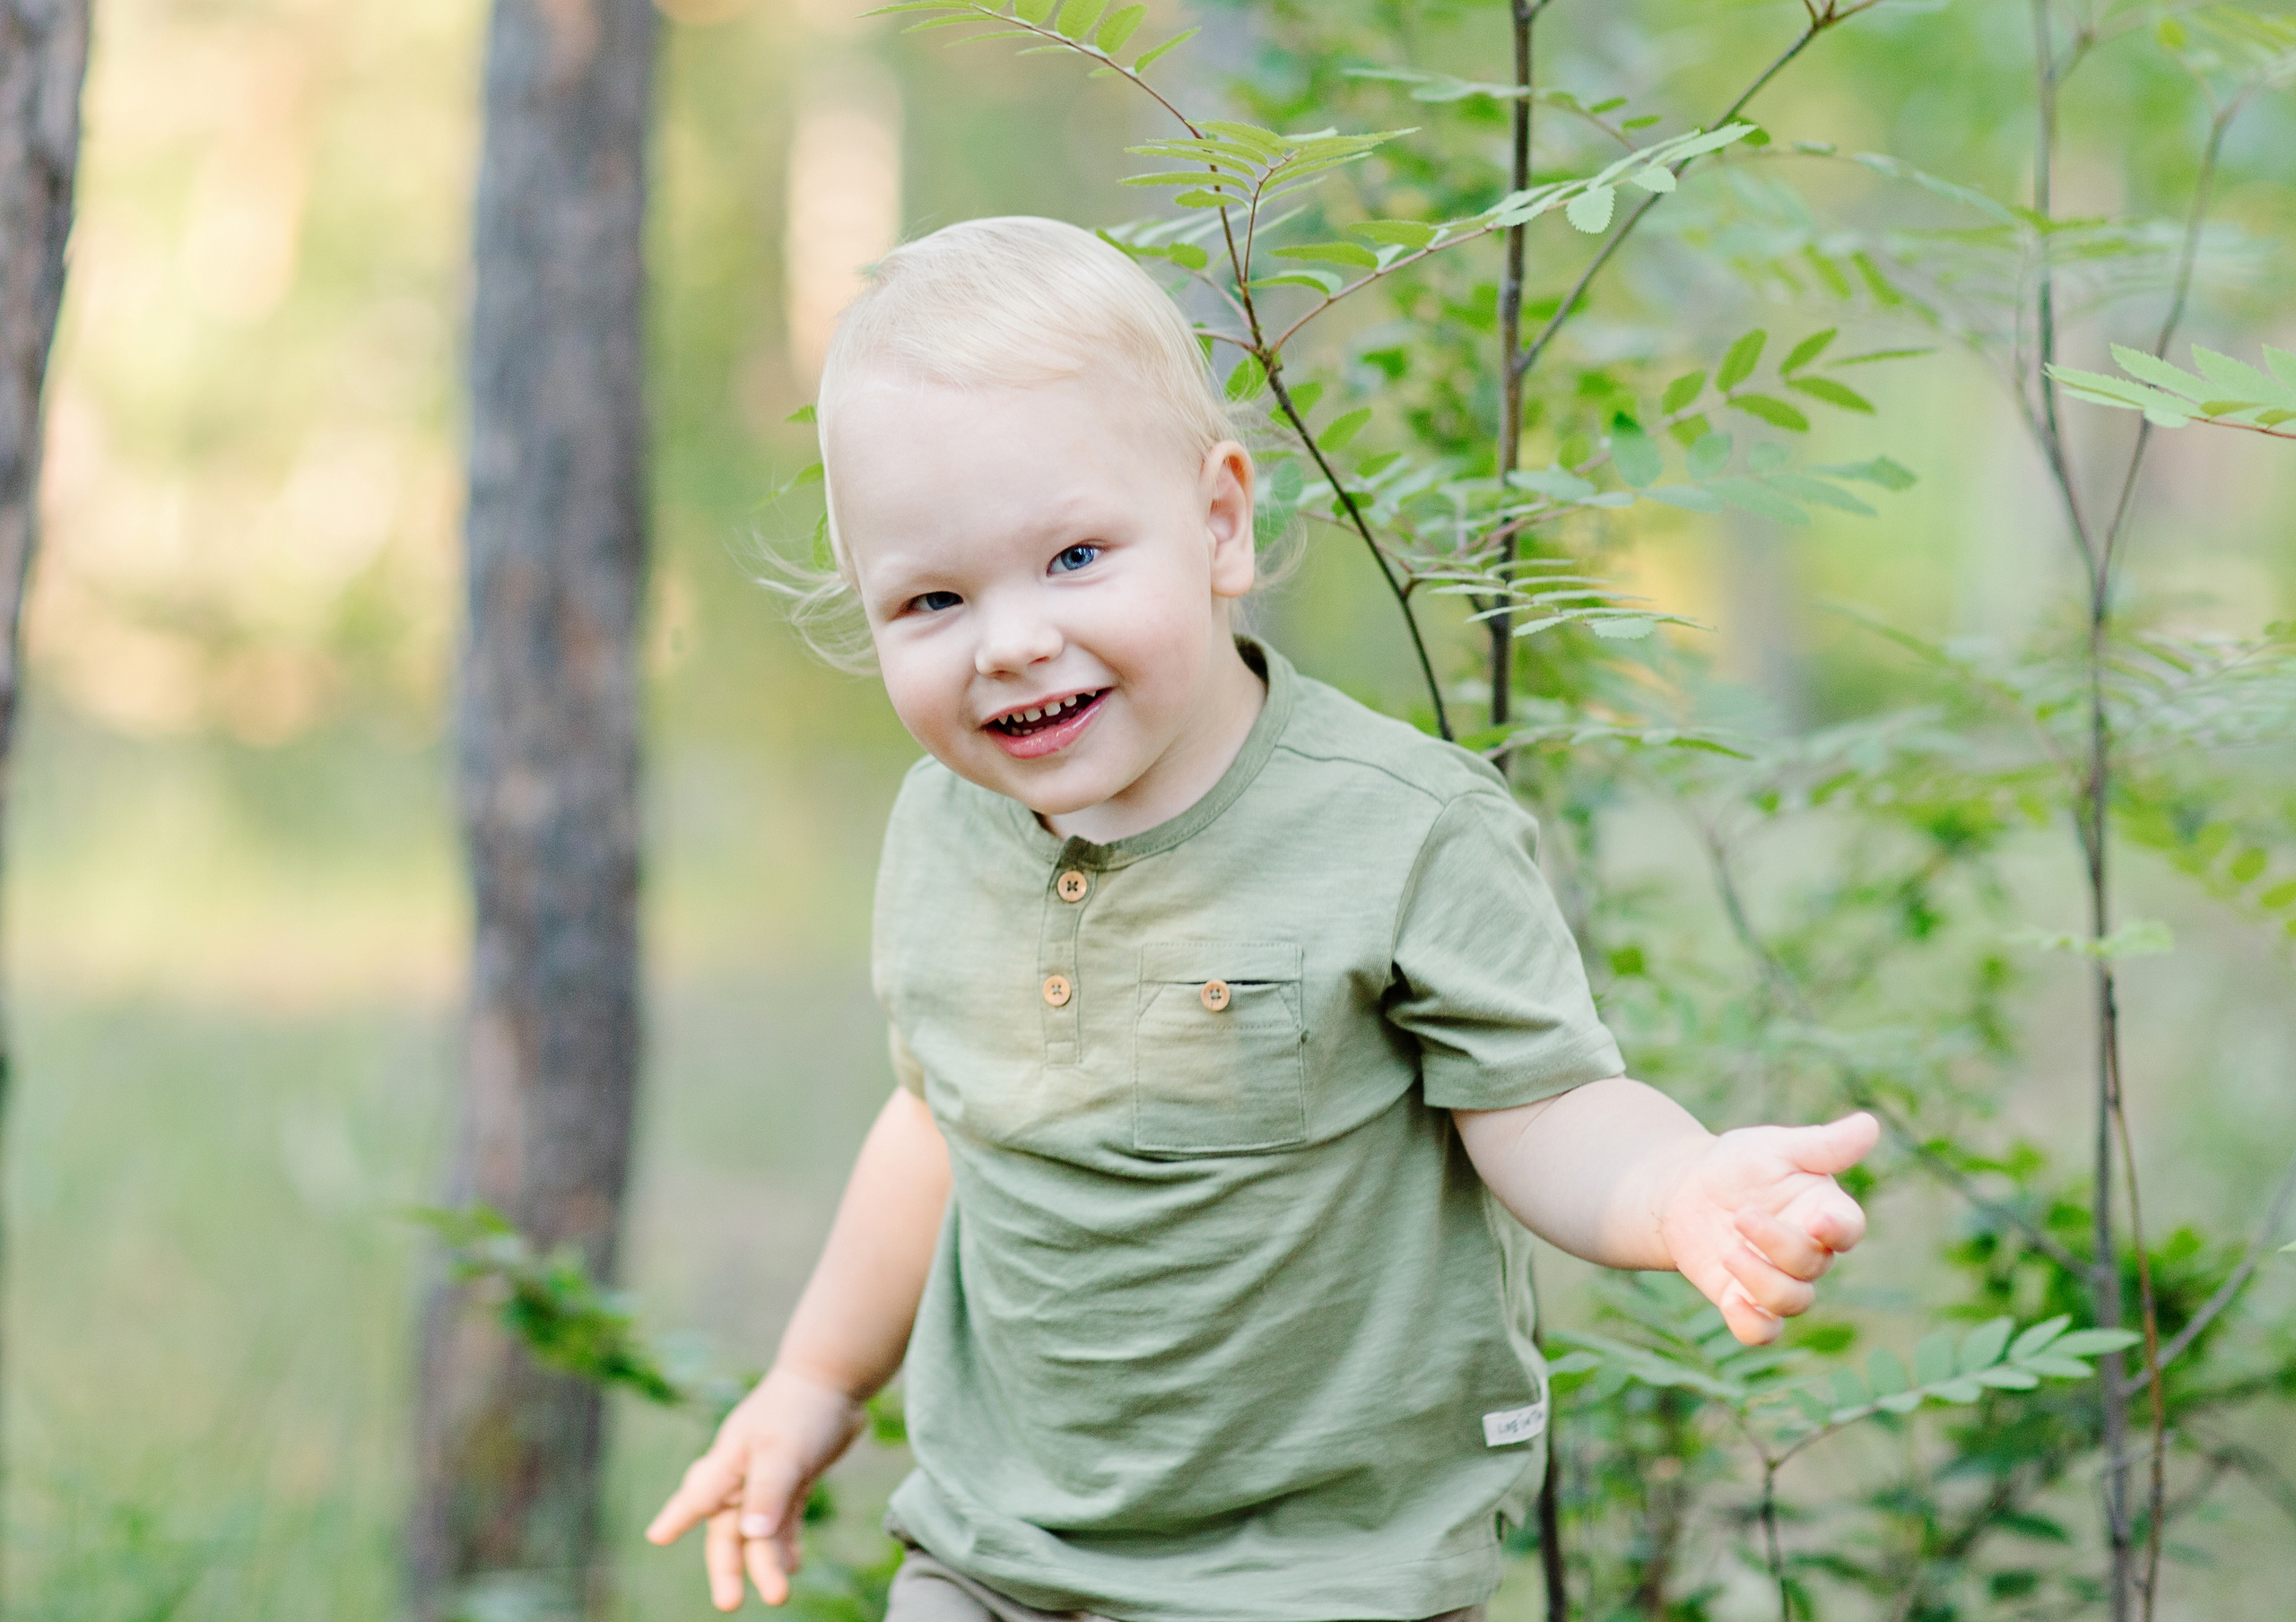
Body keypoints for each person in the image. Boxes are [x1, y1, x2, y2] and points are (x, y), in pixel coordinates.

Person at [645, 216, 1878, 1621]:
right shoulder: (941, 827)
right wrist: (814, 1378)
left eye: (1074, 557)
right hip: (997, 1555)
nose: (1012, 640)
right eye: (933, 597)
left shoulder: (1398, 828)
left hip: (1322, 1573)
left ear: (1220, 523)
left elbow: (1542, 1108)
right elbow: (939, 1118)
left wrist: (1678, 1187)